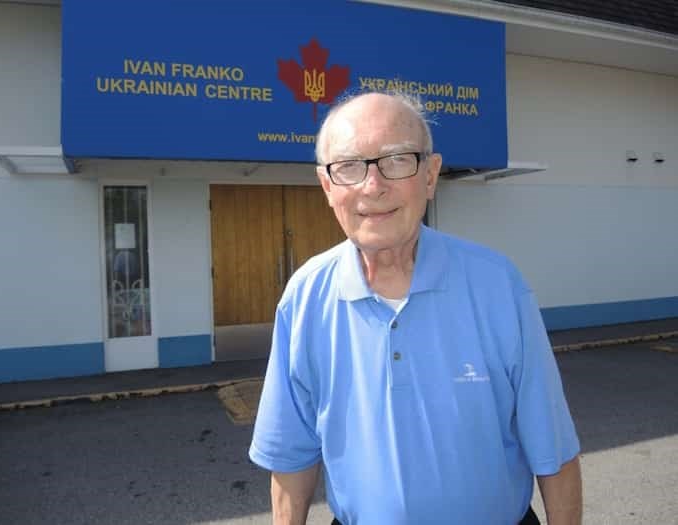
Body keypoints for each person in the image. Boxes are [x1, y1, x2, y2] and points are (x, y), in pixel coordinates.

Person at [249, 91, 582, 524]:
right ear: (327, 187)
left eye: (397, 160)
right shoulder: (305, 298)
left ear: (430, 175)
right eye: (349, 166)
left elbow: (552, 450)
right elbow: (291, 459)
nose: (373, 185)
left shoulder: (498, 285)